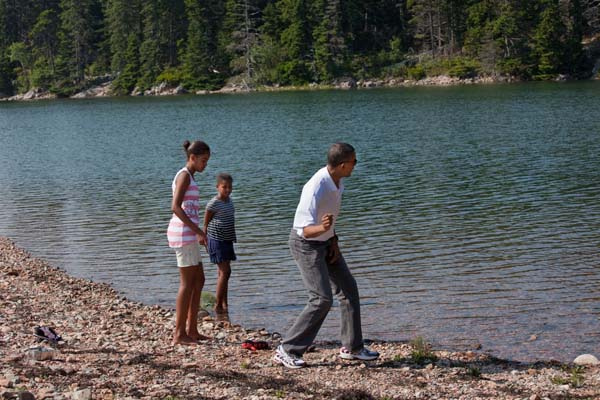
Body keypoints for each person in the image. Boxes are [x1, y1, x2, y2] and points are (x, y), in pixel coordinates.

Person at [273, 142, 379, 368]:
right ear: (342, 165)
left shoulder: (338, 182)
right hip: (305, 244)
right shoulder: (316, 187)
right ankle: (287, 349)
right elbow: (304, 229)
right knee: (321, 299)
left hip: (326, 242)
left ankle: (352, 347)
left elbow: (328, 219)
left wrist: (333, 240)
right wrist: (323, 230)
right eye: (354, 162)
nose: (355, 166)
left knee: (349, 289)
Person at [167, 140, 211, 345]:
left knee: (199, 280)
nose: (205, 165)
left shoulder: (191, 176)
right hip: (183, 234)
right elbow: (175, 207)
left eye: (207, 161)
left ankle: (192, 329)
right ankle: (179, 333)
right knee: (187, 283)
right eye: (203, 160)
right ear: (192, 157)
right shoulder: (184, 175)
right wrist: (198, 231)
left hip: (189, 234)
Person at [203, 173, 237, 314]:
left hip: (227, 239)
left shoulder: (229, 201)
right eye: (224, 187)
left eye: (230, 187)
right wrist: (204, 238)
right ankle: (217, 305)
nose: (227, 190)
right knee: (225, 271)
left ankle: (224, 303)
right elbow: (206, 223)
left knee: (223, 273)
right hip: (216, 240)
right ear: (217, 187)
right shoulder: (213, 203)